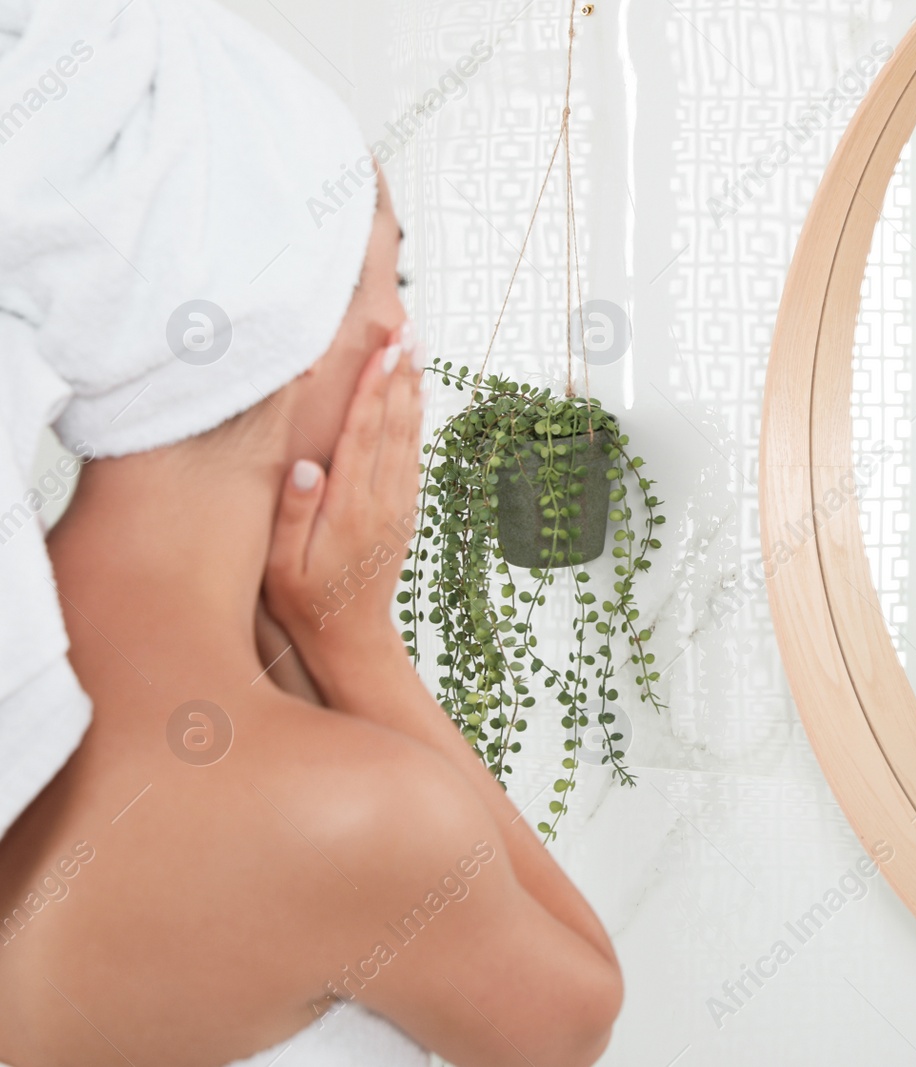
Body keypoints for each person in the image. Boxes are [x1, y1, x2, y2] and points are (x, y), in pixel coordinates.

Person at [0, 2, 622, 1064]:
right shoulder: (361, 819)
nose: (404, 330)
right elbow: (575, 1016)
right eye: (392, 276)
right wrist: (357, 645)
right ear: (291, 332)